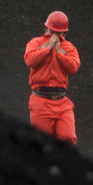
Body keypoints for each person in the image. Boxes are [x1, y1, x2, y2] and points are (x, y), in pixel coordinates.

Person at [24, 10, 81, 145]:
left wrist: (59, 52)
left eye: (58, 33)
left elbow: (73, 67)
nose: (55, 36)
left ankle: (65, 165)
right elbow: (30, 61)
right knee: (42, 144)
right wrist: (48, 48)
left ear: (64, 33)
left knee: (68, 138)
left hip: (62, 101)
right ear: (46, 29)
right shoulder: (35, 43)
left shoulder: (68, 47)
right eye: (52, 32)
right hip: (40, 101)